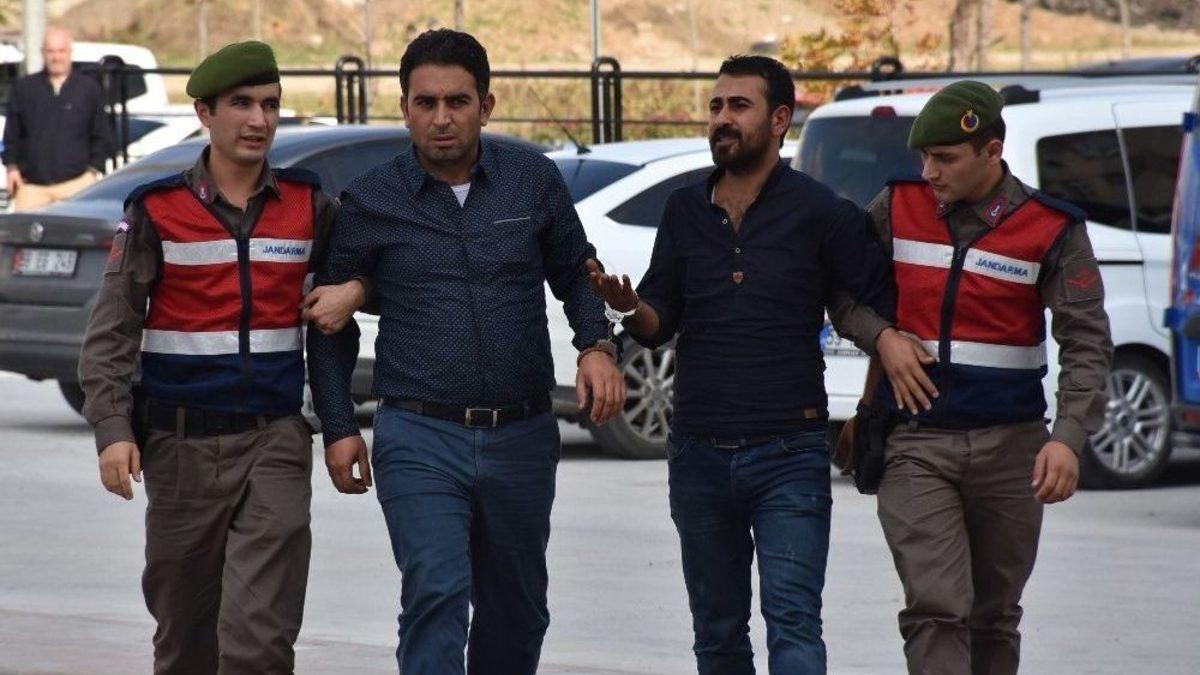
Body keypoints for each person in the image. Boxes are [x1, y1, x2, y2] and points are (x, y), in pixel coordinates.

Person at [304, 29, 626, 675]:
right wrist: (339, 427)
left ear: (486, 105)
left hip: (522, 434)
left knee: (518, 609)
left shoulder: (532, 180)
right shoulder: (370, 201)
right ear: (405, 108)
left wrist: (596, 345)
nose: (442, 117)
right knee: (436, 592)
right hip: (419, 433)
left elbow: (575, 271)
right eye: (426, 102)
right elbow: (328, 321)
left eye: (457, 101)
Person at [588, 55, 892, 674]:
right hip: (697, 454)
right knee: (718, 633)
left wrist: (867, 410)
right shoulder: (683, 209)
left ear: (779, 120)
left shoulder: (822, 213)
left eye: (738, 106)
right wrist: (630, 307)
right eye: (716, 106)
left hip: (790, 453)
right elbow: (660, 323)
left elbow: (879, 313)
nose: (722, 119)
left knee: (794, 624)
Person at [77, 41, 363, 673]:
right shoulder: (156, 210)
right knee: (185, 643)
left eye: (270, 105)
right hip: (179, 449)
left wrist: (357, 293)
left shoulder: (309, 206)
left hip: (275, 442)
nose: (259, 120)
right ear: (204, 112)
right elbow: (112, 332)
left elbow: (353, 297)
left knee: (260, 643)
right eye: (241, 104)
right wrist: (113, 429)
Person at [834, 80, 1113, 674]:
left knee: (993, 615)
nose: (929, 172)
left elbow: (1087, 340)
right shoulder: (896, 206)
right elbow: (839, 289)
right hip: (915, 444)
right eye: (924, 157)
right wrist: (883, 338)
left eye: (945, 158)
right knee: (936, 607)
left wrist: (1067, 438)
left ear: (992, 151)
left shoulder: (1053, 228)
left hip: (1012, 450)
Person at [3, 27, 112, 211]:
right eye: (51, 51)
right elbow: (12, 134)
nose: (56, 57)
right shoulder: (24, 88)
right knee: (23, 230)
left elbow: (101, 133)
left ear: (70, 52)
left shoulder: (88, 89)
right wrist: (12, 167)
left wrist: (93, 170)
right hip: (32, 189)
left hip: (78, 186)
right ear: (43, 53)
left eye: (61, 51)